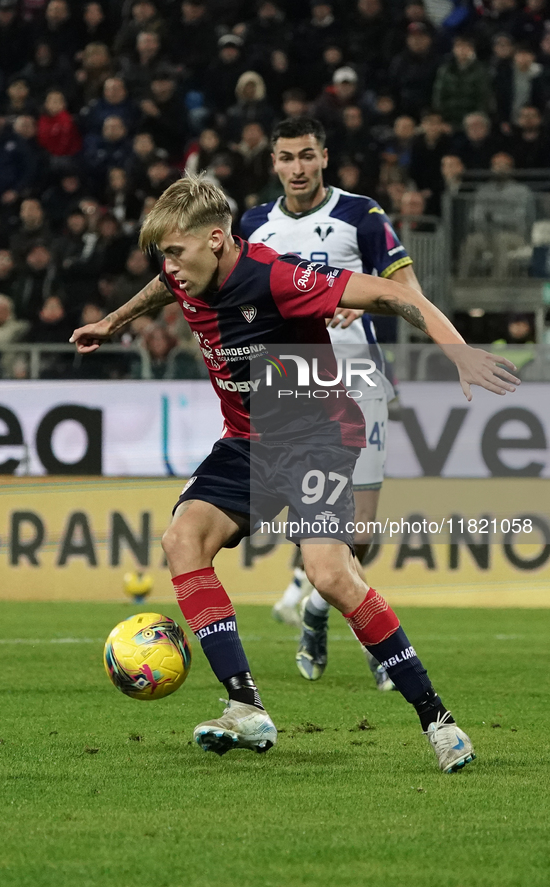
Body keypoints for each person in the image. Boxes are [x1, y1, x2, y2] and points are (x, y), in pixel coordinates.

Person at [71, 172, 518, 772]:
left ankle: (437, 719)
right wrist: (113, 321)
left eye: (176, 251)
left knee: (330, 574)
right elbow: (161, 287)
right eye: (164, 255)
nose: (170, 267)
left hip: (317, 438)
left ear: (217, 238)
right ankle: (245, 708)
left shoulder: (277, 277)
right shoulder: (188, 275)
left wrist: (456, 348)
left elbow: (397, 297)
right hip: (248, 442)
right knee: (183, 538)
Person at [240, 116, 420, 688]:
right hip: (291, 389)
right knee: (320, 525)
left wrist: (367, 303)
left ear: (324, 158)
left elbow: (410, 295)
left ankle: (317, 610)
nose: (297, 168)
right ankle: (370, 636)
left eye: (307, 156)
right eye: (286, 157)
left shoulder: (359, 214)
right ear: (273, 163)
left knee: (359, 532)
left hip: (359, 378)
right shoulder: (252, 227)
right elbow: (238, 303)